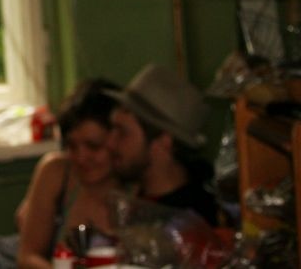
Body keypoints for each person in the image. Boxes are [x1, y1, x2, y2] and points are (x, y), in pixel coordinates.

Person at [16, 79, 123, 269]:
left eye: (93, 146)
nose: (81, 157)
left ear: (119, 140)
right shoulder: (56, 172)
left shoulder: (138, 182)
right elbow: (28, 257)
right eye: (72, 146)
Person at [105, 63, 222, 228]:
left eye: (123, 133)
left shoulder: (188, 223)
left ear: (164, 141)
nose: (110, 143)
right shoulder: (137, 202)